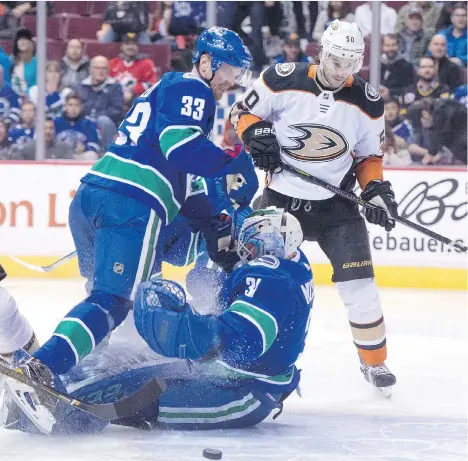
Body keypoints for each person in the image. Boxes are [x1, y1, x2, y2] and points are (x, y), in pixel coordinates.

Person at [2, 27, 256, 435]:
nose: (232, 81)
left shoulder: (167, 93)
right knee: (112, 301)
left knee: (102, 294)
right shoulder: (193, 89)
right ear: (206, 61)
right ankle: (40, 369)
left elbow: (185, 184)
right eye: (230, 70)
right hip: (131, 203)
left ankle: (78, 367)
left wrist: (215, 221)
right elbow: (181, 147)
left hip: (91, 196)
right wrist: (230, 164)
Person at [2, 207, 312, 434]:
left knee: (142, 397)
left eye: (250, 246)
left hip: (243, 394)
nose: (243, 253)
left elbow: (240, 342)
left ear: (270, 244)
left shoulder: (269, 276)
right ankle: (62, 386)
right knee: (132, 365)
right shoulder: (290, 266)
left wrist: (181, 326)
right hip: (232, 378)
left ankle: (63, 415)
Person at [230, 20, 398, 392]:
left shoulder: (367, 102)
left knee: (361, 286)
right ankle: (229, 345)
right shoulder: (281, 78)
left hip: (335, 206)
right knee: (247, 274)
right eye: (336, 61)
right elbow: (240, 113)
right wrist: (255, 132)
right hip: (280, 201)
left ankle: (374, 362)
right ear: (321, 51)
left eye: (350, 65)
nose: (341, 72)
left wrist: (375, 193)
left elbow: (369, 157)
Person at [74, 56, 124, 149]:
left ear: (108, 70)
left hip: (107, 125)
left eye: (104, 68)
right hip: (84, 122)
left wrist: (96, 116)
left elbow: (117, 110)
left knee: (102, 120)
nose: (100, 71)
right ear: (90, 69)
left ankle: (109, 152)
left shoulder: (115, 87)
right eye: (97, 68)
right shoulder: (81, 87)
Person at [109, 32, 158, 107]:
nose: (130, 47)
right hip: (115, 97)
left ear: (138, 47)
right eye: (127, 44)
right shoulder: (113, 63)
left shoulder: (147, 63)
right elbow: (106, 83)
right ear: (121, 46)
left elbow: (152, 84)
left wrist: (133, 91)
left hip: (137, 98)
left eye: (133, 44)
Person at [54, 94, 101, 159]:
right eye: (70, 105)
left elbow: (96, 145)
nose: (73, 108)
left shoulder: (89, 123)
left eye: (76, 105)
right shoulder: (56, 121)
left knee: (92, 155)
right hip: (60, 156)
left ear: (81, 107)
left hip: (79, 156)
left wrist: (85, 148)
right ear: (65, 106)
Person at [9, 117, 74, 160]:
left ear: (54, 130)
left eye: (51, 128)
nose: (47, 132)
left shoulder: (64, 148)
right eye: (44, 128)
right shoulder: (28, 149)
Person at [380, 34, 415, 100]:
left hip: (396, 101)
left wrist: (389, 92)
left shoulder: (406, 66)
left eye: (393, 45)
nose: (390, 48)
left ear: (398, 46)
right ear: (382, 47)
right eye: (387, 45)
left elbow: (408, 87)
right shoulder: (376, 64)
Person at [9, 28, 36, 97]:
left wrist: (24, 94)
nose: (22, 42)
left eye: (25, 39)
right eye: (19, 39)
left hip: (30, 95)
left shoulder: (36, 61)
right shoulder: (11, 59)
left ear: (31, 42)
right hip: (12, 95)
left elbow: (36, 85)